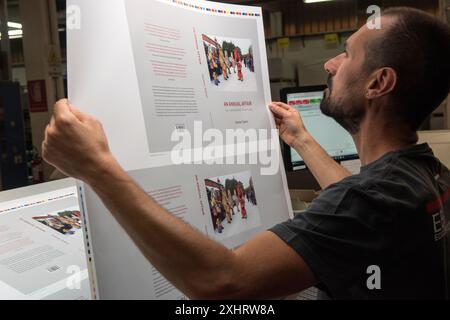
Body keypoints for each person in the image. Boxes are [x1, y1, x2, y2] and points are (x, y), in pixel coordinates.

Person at [42, 8, 450, 299]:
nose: (330, 63)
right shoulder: (426, 173)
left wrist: (97, 167)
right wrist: (301, 139)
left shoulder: (372, 200)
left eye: (347, 54)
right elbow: (360, 205)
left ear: (378, 83)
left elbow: (222, 283)